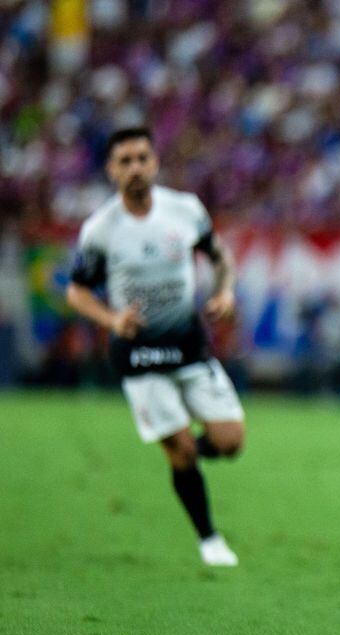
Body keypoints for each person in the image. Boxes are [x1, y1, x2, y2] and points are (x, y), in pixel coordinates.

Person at [65, 127, 245, 567]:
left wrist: (225, 292)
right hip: (138, 355)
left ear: (155, 162)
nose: (135, 168)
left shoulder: (184, 210)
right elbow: (77, 292)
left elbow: (219, 256)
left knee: (230, 441)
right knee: (181, 449)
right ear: (111, 170)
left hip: (188, 345)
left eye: (142, 158)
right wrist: (111, 319)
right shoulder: (101, 230)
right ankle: (209, 539)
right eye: (124, 161)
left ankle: (183, 456)